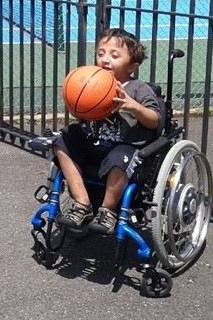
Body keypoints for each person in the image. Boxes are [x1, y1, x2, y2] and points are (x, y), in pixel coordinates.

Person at [54, 28, 162, 235]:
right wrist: (74, 101)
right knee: (62, 143)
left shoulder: (138, 89)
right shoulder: (90, 82)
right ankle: (82, 204)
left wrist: (134, 107)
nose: (105, 59)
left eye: (114, 55)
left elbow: (154, 120)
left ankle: (108, 210)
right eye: (101, 53)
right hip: (93, 142)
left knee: (118, 157)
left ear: (132, 66)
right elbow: (82, 117)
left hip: (123, 146)